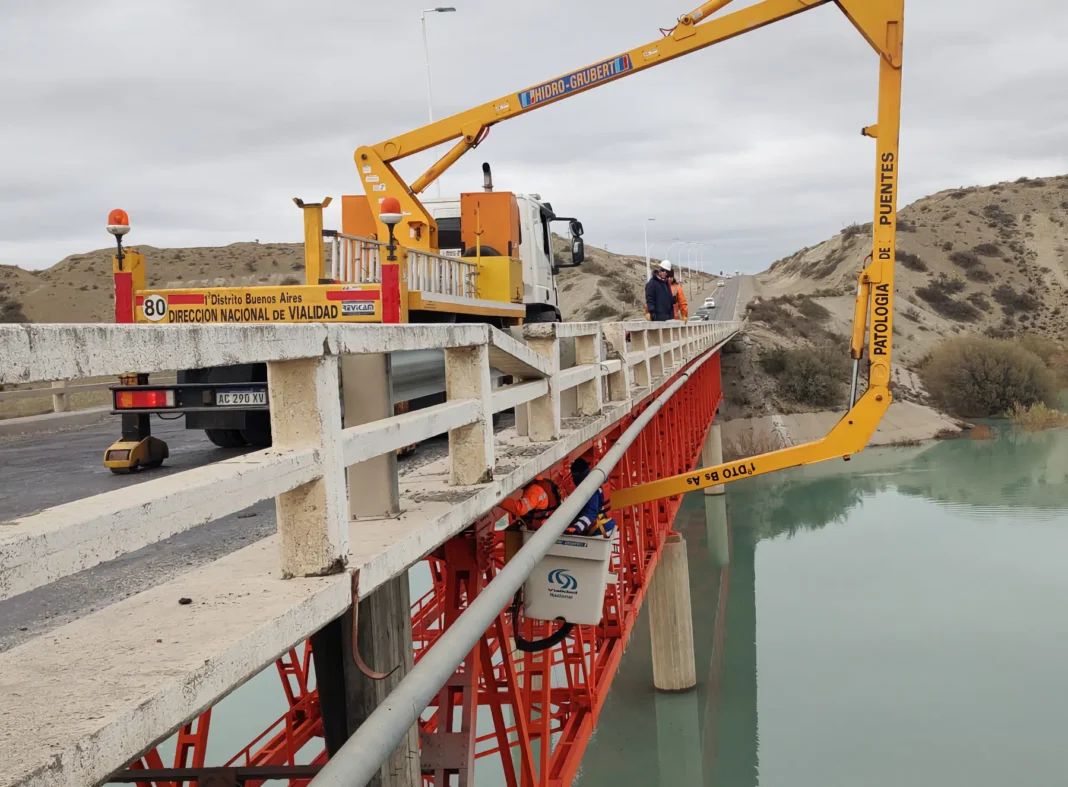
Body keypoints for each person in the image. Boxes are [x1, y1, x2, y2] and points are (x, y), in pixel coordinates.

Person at [564, 456, 616, 538]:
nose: (573, 479)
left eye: (574, 476)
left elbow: (591, 513)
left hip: (598, 530)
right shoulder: (596, 479)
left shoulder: (590, 488)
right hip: (606, 524)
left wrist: (576, 528)